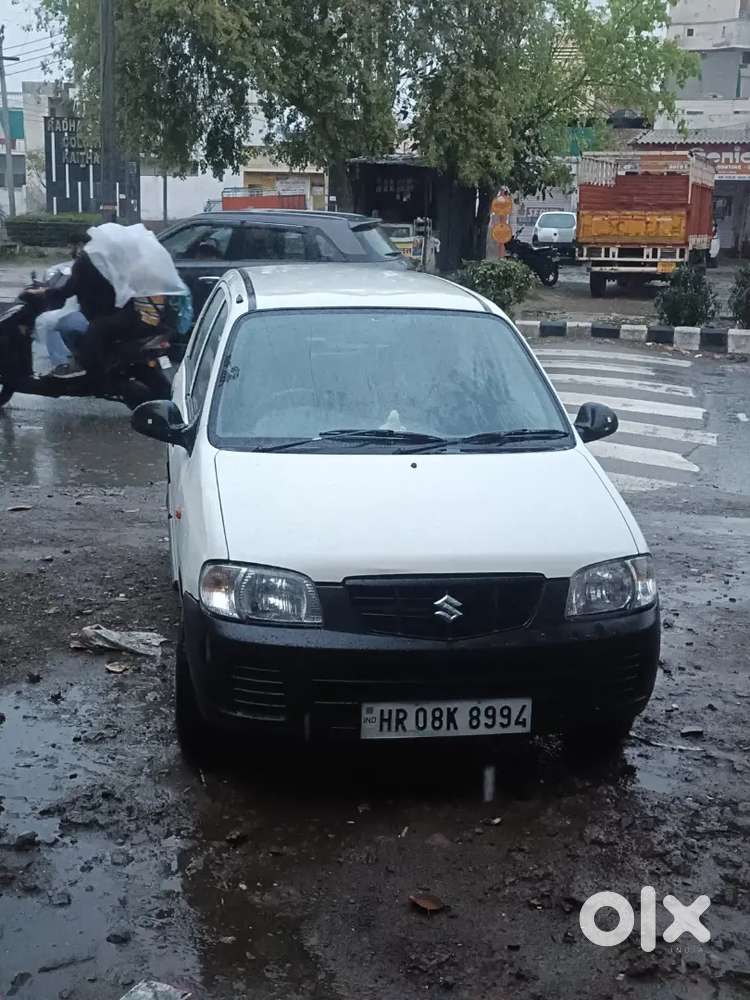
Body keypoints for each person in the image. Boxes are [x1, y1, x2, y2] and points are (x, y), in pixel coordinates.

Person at [23, 223, 187, 380]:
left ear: (80, 245)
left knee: (87, 326)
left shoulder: (90, 262)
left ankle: (84, 367)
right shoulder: (127, 263)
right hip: (142, 316)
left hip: (139, 317)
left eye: (71, 246)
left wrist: (44, 293)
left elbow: (67, 291)